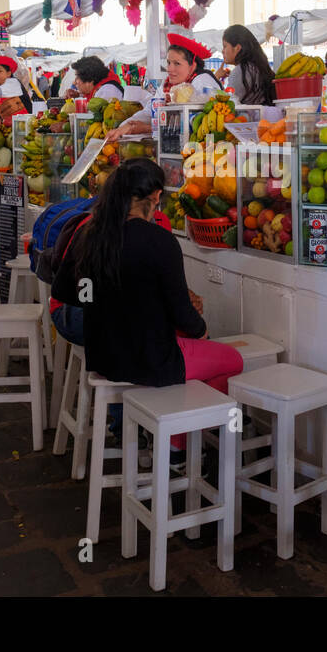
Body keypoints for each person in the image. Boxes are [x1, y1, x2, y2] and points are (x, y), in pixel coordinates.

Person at [52, 158, 242, 467]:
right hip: (149, 360)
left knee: (191, 359)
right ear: (155, 196)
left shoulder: (93, 234)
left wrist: (108, 298)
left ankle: (172, 440)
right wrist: (202, 333)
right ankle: (180, 446)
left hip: (105, 358)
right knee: (232, 360)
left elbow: (62, 290)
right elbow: (183, 313)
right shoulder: (159, 240)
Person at [107, 34, 222, 139]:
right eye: (168, 63)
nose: (169, 69)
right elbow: (149, 112)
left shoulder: (203, 81)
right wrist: (124, 127)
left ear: (193, 66)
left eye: (177, 64)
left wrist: (147, 128)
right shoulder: (167, 85)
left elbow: (198, 125)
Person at [220, 24, 275, 106]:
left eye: (225, 46)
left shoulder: (241, 71)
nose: (222, 51)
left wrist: (216, 78)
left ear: (237, 48)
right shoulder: (257, 67)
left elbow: (227, 105)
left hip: (247, 118)